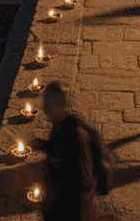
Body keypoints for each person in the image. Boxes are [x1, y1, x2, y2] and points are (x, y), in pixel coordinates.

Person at [40, 81, 98, 221]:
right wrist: (45, 146)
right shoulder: (61, 122)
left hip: (72, 210)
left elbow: (83, 182)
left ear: (61, 105)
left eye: (47, 104)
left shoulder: (76, 136)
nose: (43, 109)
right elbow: (61, 149)